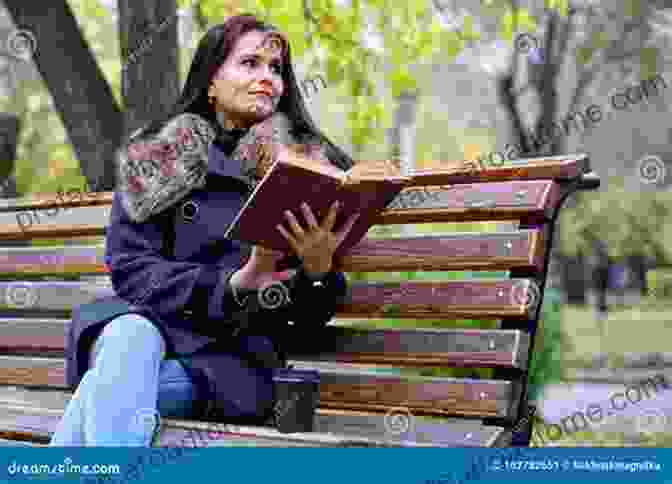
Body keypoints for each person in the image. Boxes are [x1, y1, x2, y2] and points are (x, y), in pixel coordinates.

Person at [50, 14, 360, 446]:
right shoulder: (160, 155)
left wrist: (318, 270)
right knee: (129, 336)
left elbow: (305, 324)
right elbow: (131, 267)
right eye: (250, 63)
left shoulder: (300, 169)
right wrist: (229, 285)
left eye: (276, 69)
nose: (267, 78)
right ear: (211, 80)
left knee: (108, 389)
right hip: (148, 328)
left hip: (226, 360)